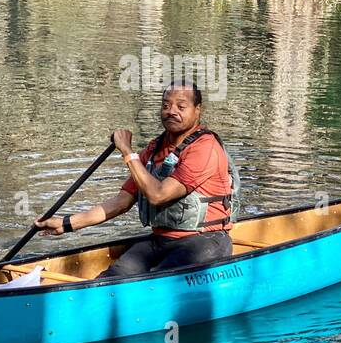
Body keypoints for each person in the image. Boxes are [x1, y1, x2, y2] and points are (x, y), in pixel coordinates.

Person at [34, 80, 239, 278]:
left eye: (181, 106)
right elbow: (121, 203)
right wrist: (66, 224)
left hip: (204, 242)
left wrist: (127, 151)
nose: (171, 111)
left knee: (157, 280)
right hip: (160, 240)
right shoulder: (154, 148)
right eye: (166, 105)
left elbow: (158, 195)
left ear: (197, 110)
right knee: (111, 278)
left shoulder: (205, 148)